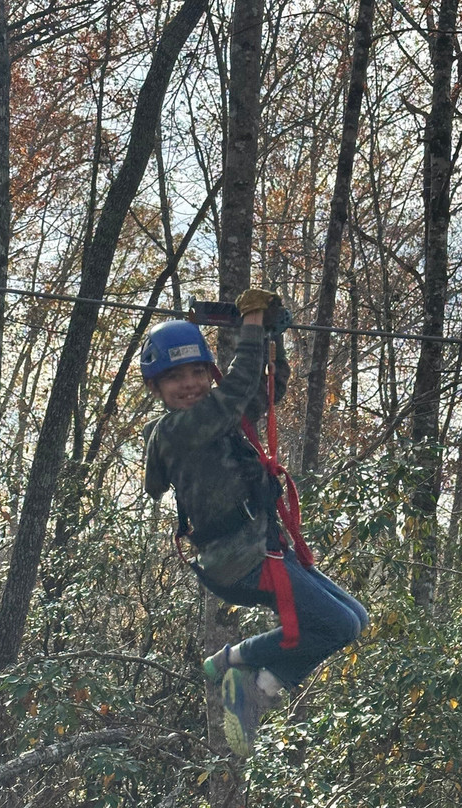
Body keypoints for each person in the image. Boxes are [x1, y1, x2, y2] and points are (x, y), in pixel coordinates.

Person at [141, 288, 368, 756]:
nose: (189, 384)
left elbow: (265, 387)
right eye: (174, 378)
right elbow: (238, 385)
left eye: (197, 372)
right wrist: (250, 324)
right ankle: (246, 677)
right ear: (156, 389)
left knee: (356, 619)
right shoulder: (177, 431)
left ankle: (245, 672)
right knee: (339, 626)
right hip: (239, 561)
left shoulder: (217, 417)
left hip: (264, 549)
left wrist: (269, 337)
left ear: (209, 373)